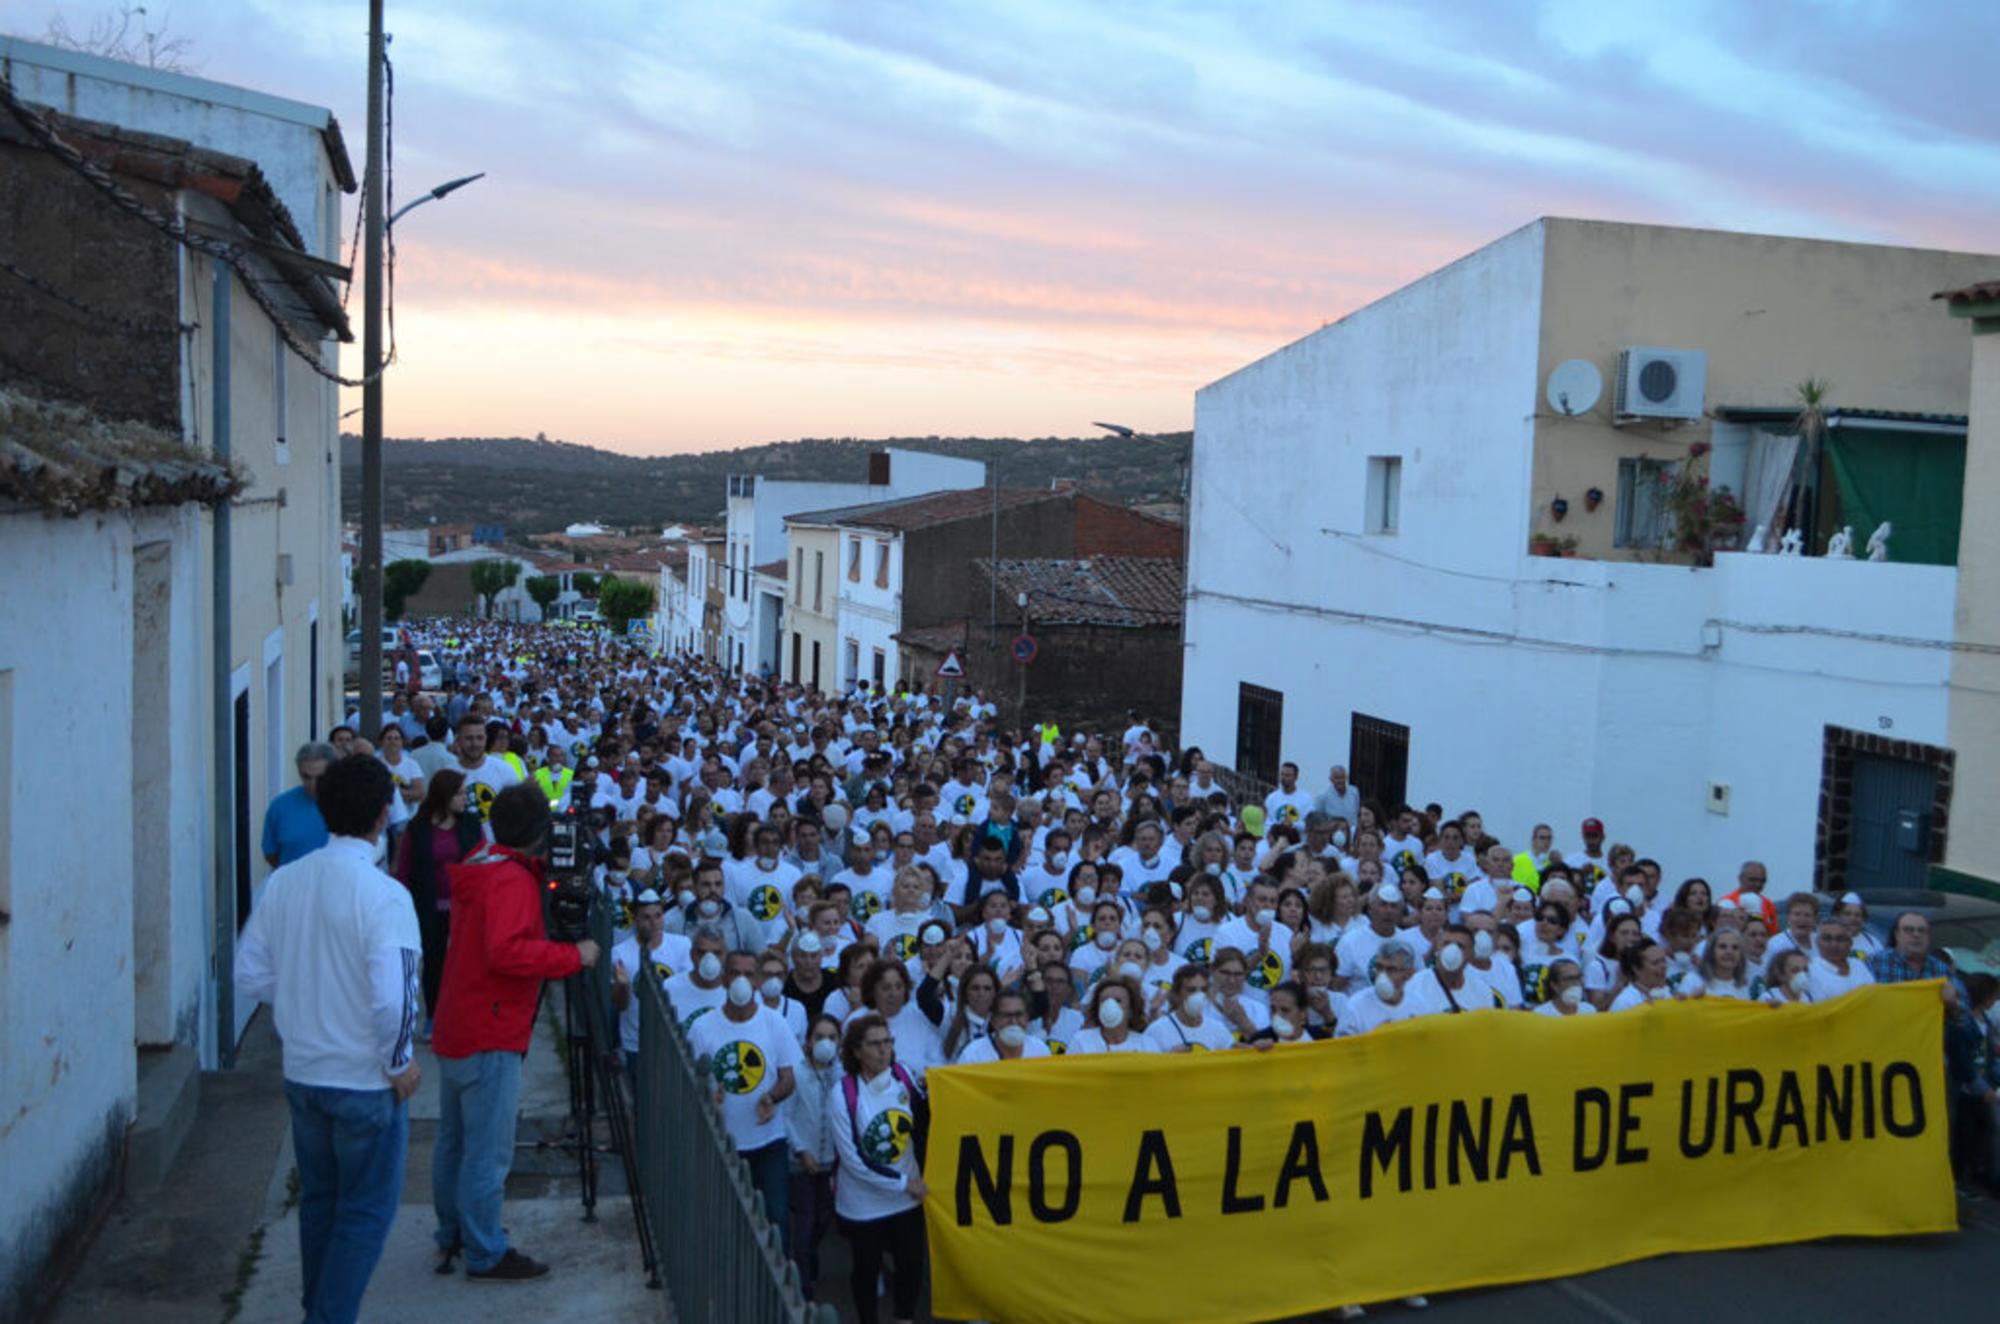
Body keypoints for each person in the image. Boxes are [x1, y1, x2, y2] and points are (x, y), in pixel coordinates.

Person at [235, 754, 421, 1324]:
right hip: (364, 1080)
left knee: (320, 1204)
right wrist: (399, 1064)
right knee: (363, 1214)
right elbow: (396, 998)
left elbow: (250, 974)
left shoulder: (285, 881)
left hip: (305, 1073)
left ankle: (317, 1308)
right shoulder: (386, 895)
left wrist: (304, 998)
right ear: (384, 814)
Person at [430, 783, 600, 1281]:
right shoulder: (509, 882)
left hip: (460, 1022)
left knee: (454, 1143)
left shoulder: (485, 859)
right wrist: (574, 956)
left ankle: (453, 1232)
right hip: (491, 1030)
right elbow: (508, 951)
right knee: (487, 1153)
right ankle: (484, 1251)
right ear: (540, 836)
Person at [689, 944, 802, 1250]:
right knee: (727, 1221)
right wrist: (707, 1097)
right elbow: (691, 1083)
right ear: (724, 978)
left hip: (769, 1141)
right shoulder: (702, 1027)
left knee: (776, 1217)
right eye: (735, 972)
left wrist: (771, 1098)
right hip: (724, 1145)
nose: (741, 979)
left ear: (757, 981)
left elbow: (788, 1078)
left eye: (749, 974)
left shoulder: (774, 1022)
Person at [830, 1013, 930, 1324]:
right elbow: (853, 1159)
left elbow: (925, 1120)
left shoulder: (903, 1077)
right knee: (866, 1270)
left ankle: (904, 1318)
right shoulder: (843, 1095)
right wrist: (903, 1183)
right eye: (875, 1044)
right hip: (864, 1204)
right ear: (857, 1051)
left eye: (888, 1042)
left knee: (911, 1263)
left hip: (906, 1196)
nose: (883, 1050)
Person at [393, 768, 481, 1037]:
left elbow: (481, 859)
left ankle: (460, 1014)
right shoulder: (418, 828)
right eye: (460, 793)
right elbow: (405, 868)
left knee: (463, 962)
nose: (465, 798)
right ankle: (433, 1016)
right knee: (433, 962)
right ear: (445, 795)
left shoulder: (470, 824)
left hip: (463, 907)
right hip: (428, 906)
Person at [787, 1014, 843, 1301]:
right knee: (807, 1218)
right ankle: (804, 1282)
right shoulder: (796, 1073)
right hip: (803, 1160)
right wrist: (800, 1149)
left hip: (831, 1161)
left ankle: (808, 1254)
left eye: (832, 1037)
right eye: (819, 1037)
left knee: (824, 1217)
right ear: (808, 1041)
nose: (826, 1043)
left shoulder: (842, 1075)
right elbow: (786, 1116)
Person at [610, 889, 693, 1073]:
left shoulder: (682, 945)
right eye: (646, 917)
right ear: (636, 919)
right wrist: (622, 986)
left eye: (658, 916)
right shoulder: (620, 953)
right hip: (636, 1041)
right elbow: (620, 1004)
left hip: (672, 1039)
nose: (653, 923)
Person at [261, 741, 335, 867]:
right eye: (306, 777)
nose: (313, 784)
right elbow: (271, 854)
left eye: (320, 777)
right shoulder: (280, 807)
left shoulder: (349, 805)